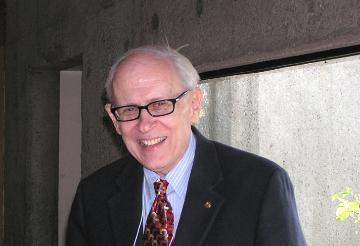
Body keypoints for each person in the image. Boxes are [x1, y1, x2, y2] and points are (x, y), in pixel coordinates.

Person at [67, 45, 307, 246]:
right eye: (129, 109)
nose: (145, 124)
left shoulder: (259, 185)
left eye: (160, 104)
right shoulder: (93, 196)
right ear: (113, 119)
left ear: (194, 105)